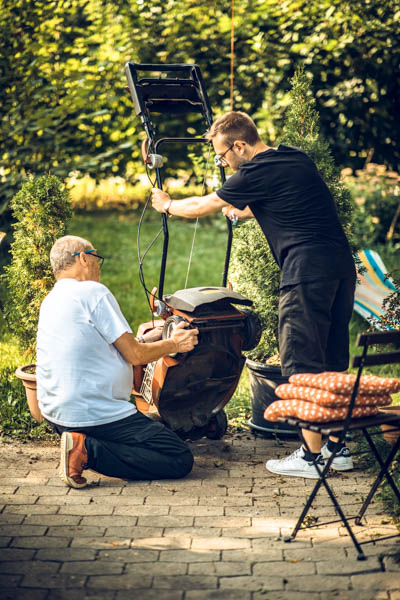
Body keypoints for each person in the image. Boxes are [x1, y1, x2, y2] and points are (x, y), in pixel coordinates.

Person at [151, 111, 356, 479]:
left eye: (222, 156)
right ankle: (337, 449)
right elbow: (283, 202)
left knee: (301, 361)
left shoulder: (255, 171)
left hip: (305, 273)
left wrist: (167, 204)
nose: (223, 163)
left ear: (240, 146)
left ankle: (312, 458)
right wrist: (241, 213)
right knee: (332, 359)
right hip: (340, 268)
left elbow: (200, 206)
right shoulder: (293, 158)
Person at [36, 235, 198, 489]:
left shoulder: (52, 299)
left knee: (150, 429)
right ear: (83, 258)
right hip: (93, 413)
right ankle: (85, 449)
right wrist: (176, 344)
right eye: (96, 257)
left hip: (56, 414)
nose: (98, 266)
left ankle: (79, 442)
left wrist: (142, 340)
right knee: (179, 457)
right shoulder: (93, 292)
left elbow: (95, 345)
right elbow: (135, 356)